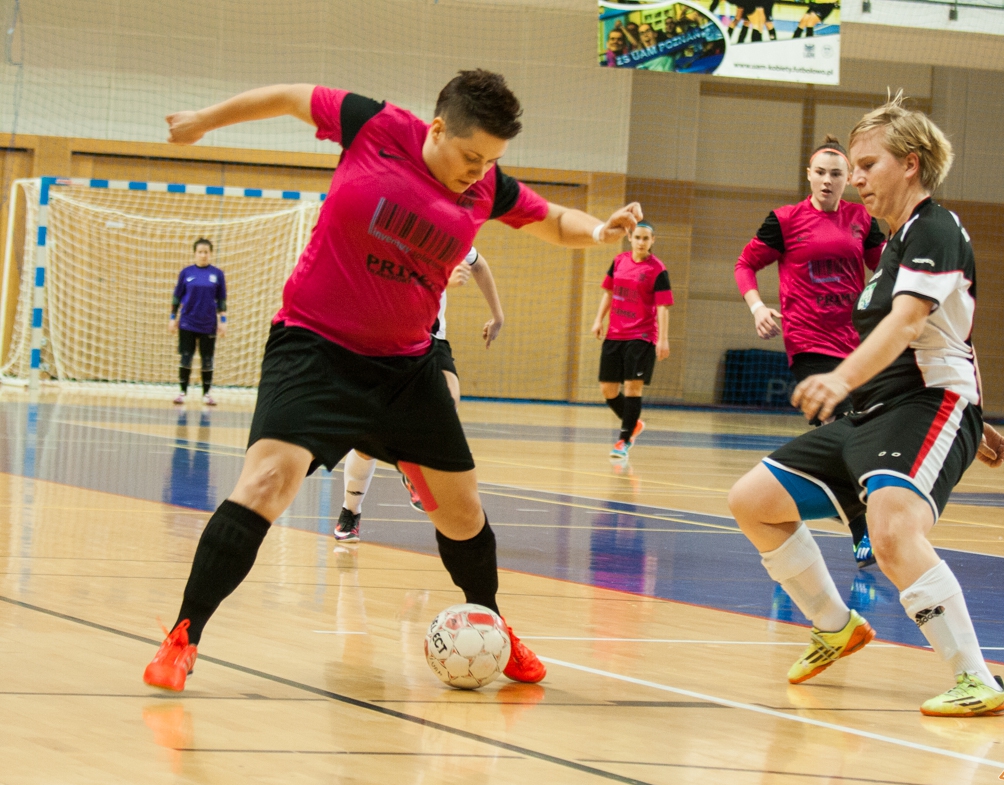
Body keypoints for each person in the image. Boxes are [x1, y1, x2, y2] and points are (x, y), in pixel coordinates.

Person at [142, 70, 643, 693]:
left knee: (462, 515)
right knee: (268, 481)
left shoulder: (486, 186)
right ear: (437, 128)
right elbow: (294, 95)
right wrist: (204, 119)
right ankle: (184, 636)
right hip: (315, 349)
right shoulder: (376, 126)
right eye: (468, 156)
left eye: (489, 161)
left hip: (407, 368)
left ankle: (491, 622)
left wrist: (600, 230)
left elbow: (550, 219)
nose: (476, 171)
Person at [726, 92, 1004, 717]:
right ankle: (835, 625)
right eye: (848, 168)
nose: (853, 180)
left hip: (925, 403)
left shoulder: (936, 228)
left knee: (890, 529)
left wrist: (840, 379)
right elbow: (950, 330)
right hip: (880, 409)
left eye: (865, 165)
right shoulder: (889, 249)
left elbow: (912, 325)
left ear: (910, 163)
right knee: (752, 501)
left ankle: (976, 679)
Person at [734, 134, 886, 568]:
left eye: (836, 174)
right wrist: (758, 306)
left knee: (857, 436)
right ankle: (862, 531)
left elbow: (887, 267)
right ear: (808, 175)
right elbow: (745, 265)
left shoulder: (862, 218)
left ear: (849, 179)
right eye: (820, 172)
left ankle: (789, 507)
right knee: (838, 427)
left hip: (856, 347)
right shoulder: (785, 220)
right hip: (809, 345)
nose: (827, 180)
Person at [336, 247, 504, 541]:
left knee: (448, 399)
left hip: (430, 340)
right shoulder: (384, 237)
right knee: (367, 440)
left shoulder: (447, 231)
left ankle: (412, 470)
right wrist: (437, 280)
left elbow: (478, 265)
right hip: (385, 340)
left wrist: (498, 315)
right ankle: (351, 510)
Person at [591, 221, 672, 460]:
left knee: (632, 387)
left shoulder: (657, 269)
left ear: (652, 241)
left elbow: (663, 307)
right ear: (630, 238)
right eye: (637, 237)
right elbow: (608, 293)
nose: (641, 242)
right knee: (607, 389)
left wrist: (663, 339)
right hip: (615, 333)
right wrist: (598, 320)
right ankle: (634, 424)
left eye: (646, 239)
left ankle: (623, 441)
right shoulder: (619, 262)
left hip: (642, 335)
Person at [169, 238, 226, 406]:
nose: (203, 255)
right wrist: (172, 318)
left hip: (208, 323)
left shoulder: (217, 274)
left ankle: (206, 394)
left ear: (210, 254)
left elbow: (222, 299)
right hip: (187, 322)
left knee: (207, 359)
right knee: (186, 357)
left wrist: (223, 320)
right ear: (195, 253)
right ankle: (182, 392)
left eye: (206, 252)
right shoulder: (186, 273)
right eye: (200, 252)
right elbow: (176, 297)